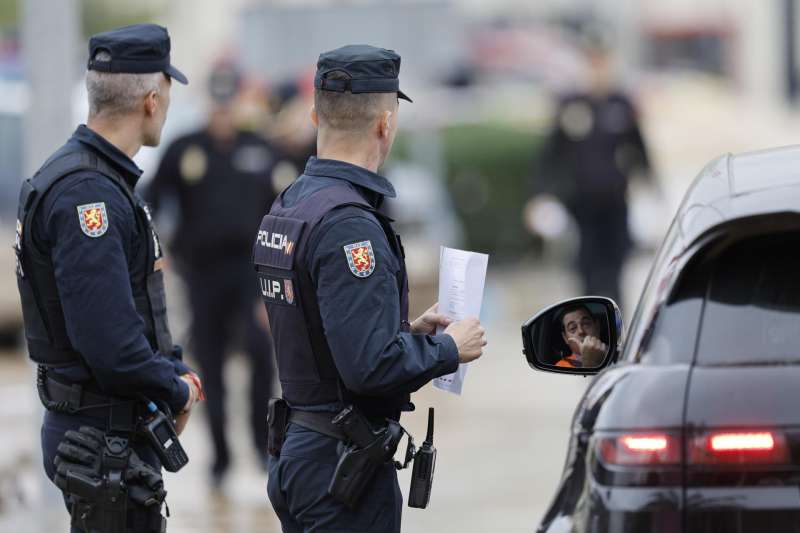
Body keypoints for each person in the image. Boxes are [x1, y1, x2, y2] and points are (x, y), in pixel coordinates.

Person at [257, 45, 488, 533]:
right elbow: (368, 368)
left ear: (316, 113)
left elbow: (326, 337)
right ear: (386, 124)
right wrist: (448, 348)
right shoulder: (349, 226)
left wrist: (406, 332)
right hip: (339, 469)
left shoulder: (292, 204)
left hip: (301, 450)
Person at [14, 24, 203, 532]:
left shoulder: (101, 179)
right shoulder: (87, 194)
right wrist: (176, 389)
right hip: (99, 435)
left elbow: (135, 310)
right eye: (168, 88)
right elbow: (110, 344)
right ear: (152, 98)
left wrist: (173, 373)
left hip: (109, 430)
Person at [145, 63, 279, 485]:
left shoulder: (259, 148)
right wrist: (163, 249)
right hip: (201, 273)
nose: (222, 113)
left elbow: (285, 207)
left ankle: (262, 447)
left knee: (260, 354)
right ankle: (220, 459)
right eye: (216, 105)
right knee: (211, 364)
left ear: (240, 103)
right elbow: (149, 199)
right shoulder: (186, 147)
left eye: (229, 104)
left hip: (251, 274)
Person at [535, 32, 654, 304]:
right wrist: (542, 196)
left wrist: (650, 191)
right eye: (592, 62)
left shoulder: (621, 103)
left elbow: (640, 150)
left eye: (602, 62)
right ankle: (590, 329)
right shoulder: (570, 105)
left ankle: (616, 331)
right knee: (587, 272)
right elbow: (550, 156)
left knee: (616, 271)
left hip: (615, 203)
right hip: (581, 206)